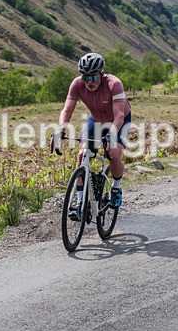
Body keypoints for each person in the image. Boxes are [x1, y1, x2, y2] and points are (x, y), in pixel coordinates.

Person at [50, 53, 131, 220]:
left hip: (118, 122)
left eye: (94, 76)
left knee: (114, 154)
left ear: (102, 73)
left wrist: (111, 136)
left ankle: (116, 187)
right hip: (95, 120)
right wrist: (60, 130)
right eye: (86, 77)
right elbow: (67, 110)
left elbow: (119, 116)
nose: (90, 82)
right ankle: (80, 205)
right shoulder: (77, 84)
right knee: (81, 155)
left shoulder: (114, 84)